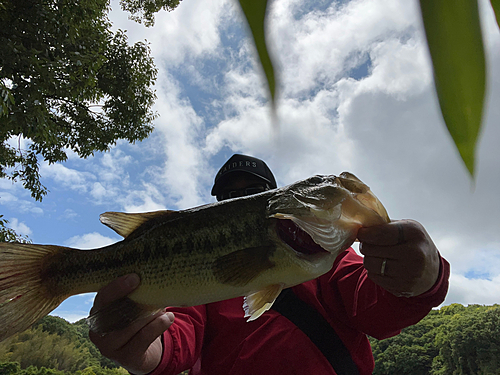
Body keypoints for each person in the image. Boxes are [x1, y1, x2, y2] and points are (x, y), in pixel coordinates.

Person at [89, 154, 450, 375]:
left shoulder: (334, 263)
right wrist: (146, 352)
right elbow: (178, 333)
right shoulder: (197, 280)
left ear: (274, 199)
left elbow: (378, 307)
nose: (241, 199)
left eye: (254, 191)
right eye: (230, 197)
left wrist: (424, 277)